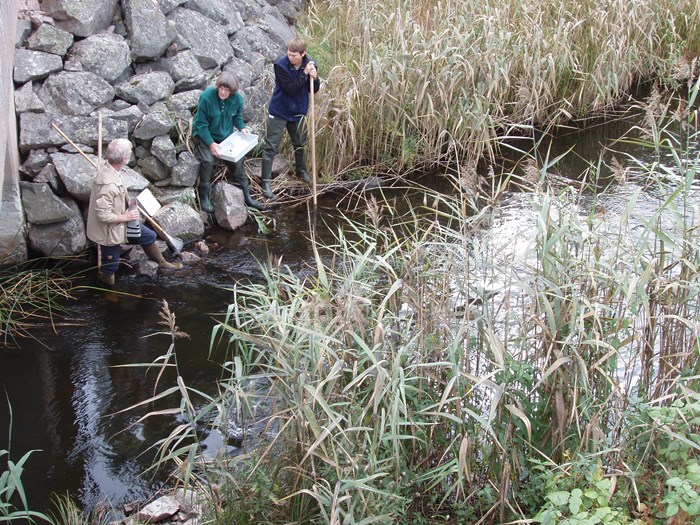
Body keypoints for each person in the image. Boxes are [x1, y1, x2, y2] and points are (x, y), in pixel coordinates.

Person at [87, 138, 182, 286]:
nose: (131, 154)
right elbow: (103, 215)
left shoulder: (109, 168)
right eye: (130, 153)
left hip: (120, 223)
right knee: (111, 267)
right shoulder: (108, 185)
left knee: (149, 236)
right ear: (124, 159)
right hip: (108, 232)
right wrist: (126, 216)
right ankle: (108, 291)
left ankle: (163, 263)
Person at [191, 71, 262, 212]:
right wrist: (211, 144)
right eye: (221, 88)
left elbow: (237, 117)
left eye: (226, 90)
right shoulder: (207, 97)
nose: (222, 92)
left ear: (232, 91)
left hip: (225, 135)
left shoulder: (237, 99)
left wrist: (242, 128)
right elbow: (201, 125)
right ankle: (204, 196)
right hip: (205, 135)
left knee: (237, 159)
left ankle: (247, 197)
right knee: (208, 161)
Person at [260, 37, 320, 199]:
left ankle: (301, 171)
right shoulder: (280, 65)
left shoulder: (310, 63)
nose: (290, 58)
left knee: (300, 143)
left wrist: (314, 77)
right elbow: (291, 89)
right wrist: (304, 73)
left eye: (294, 55)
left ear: (303, 54)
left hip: (299, 111)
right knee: (271, 146)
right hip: (280, 110)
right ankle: (265, 181)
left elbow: (312, 89)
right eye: (289, 54)